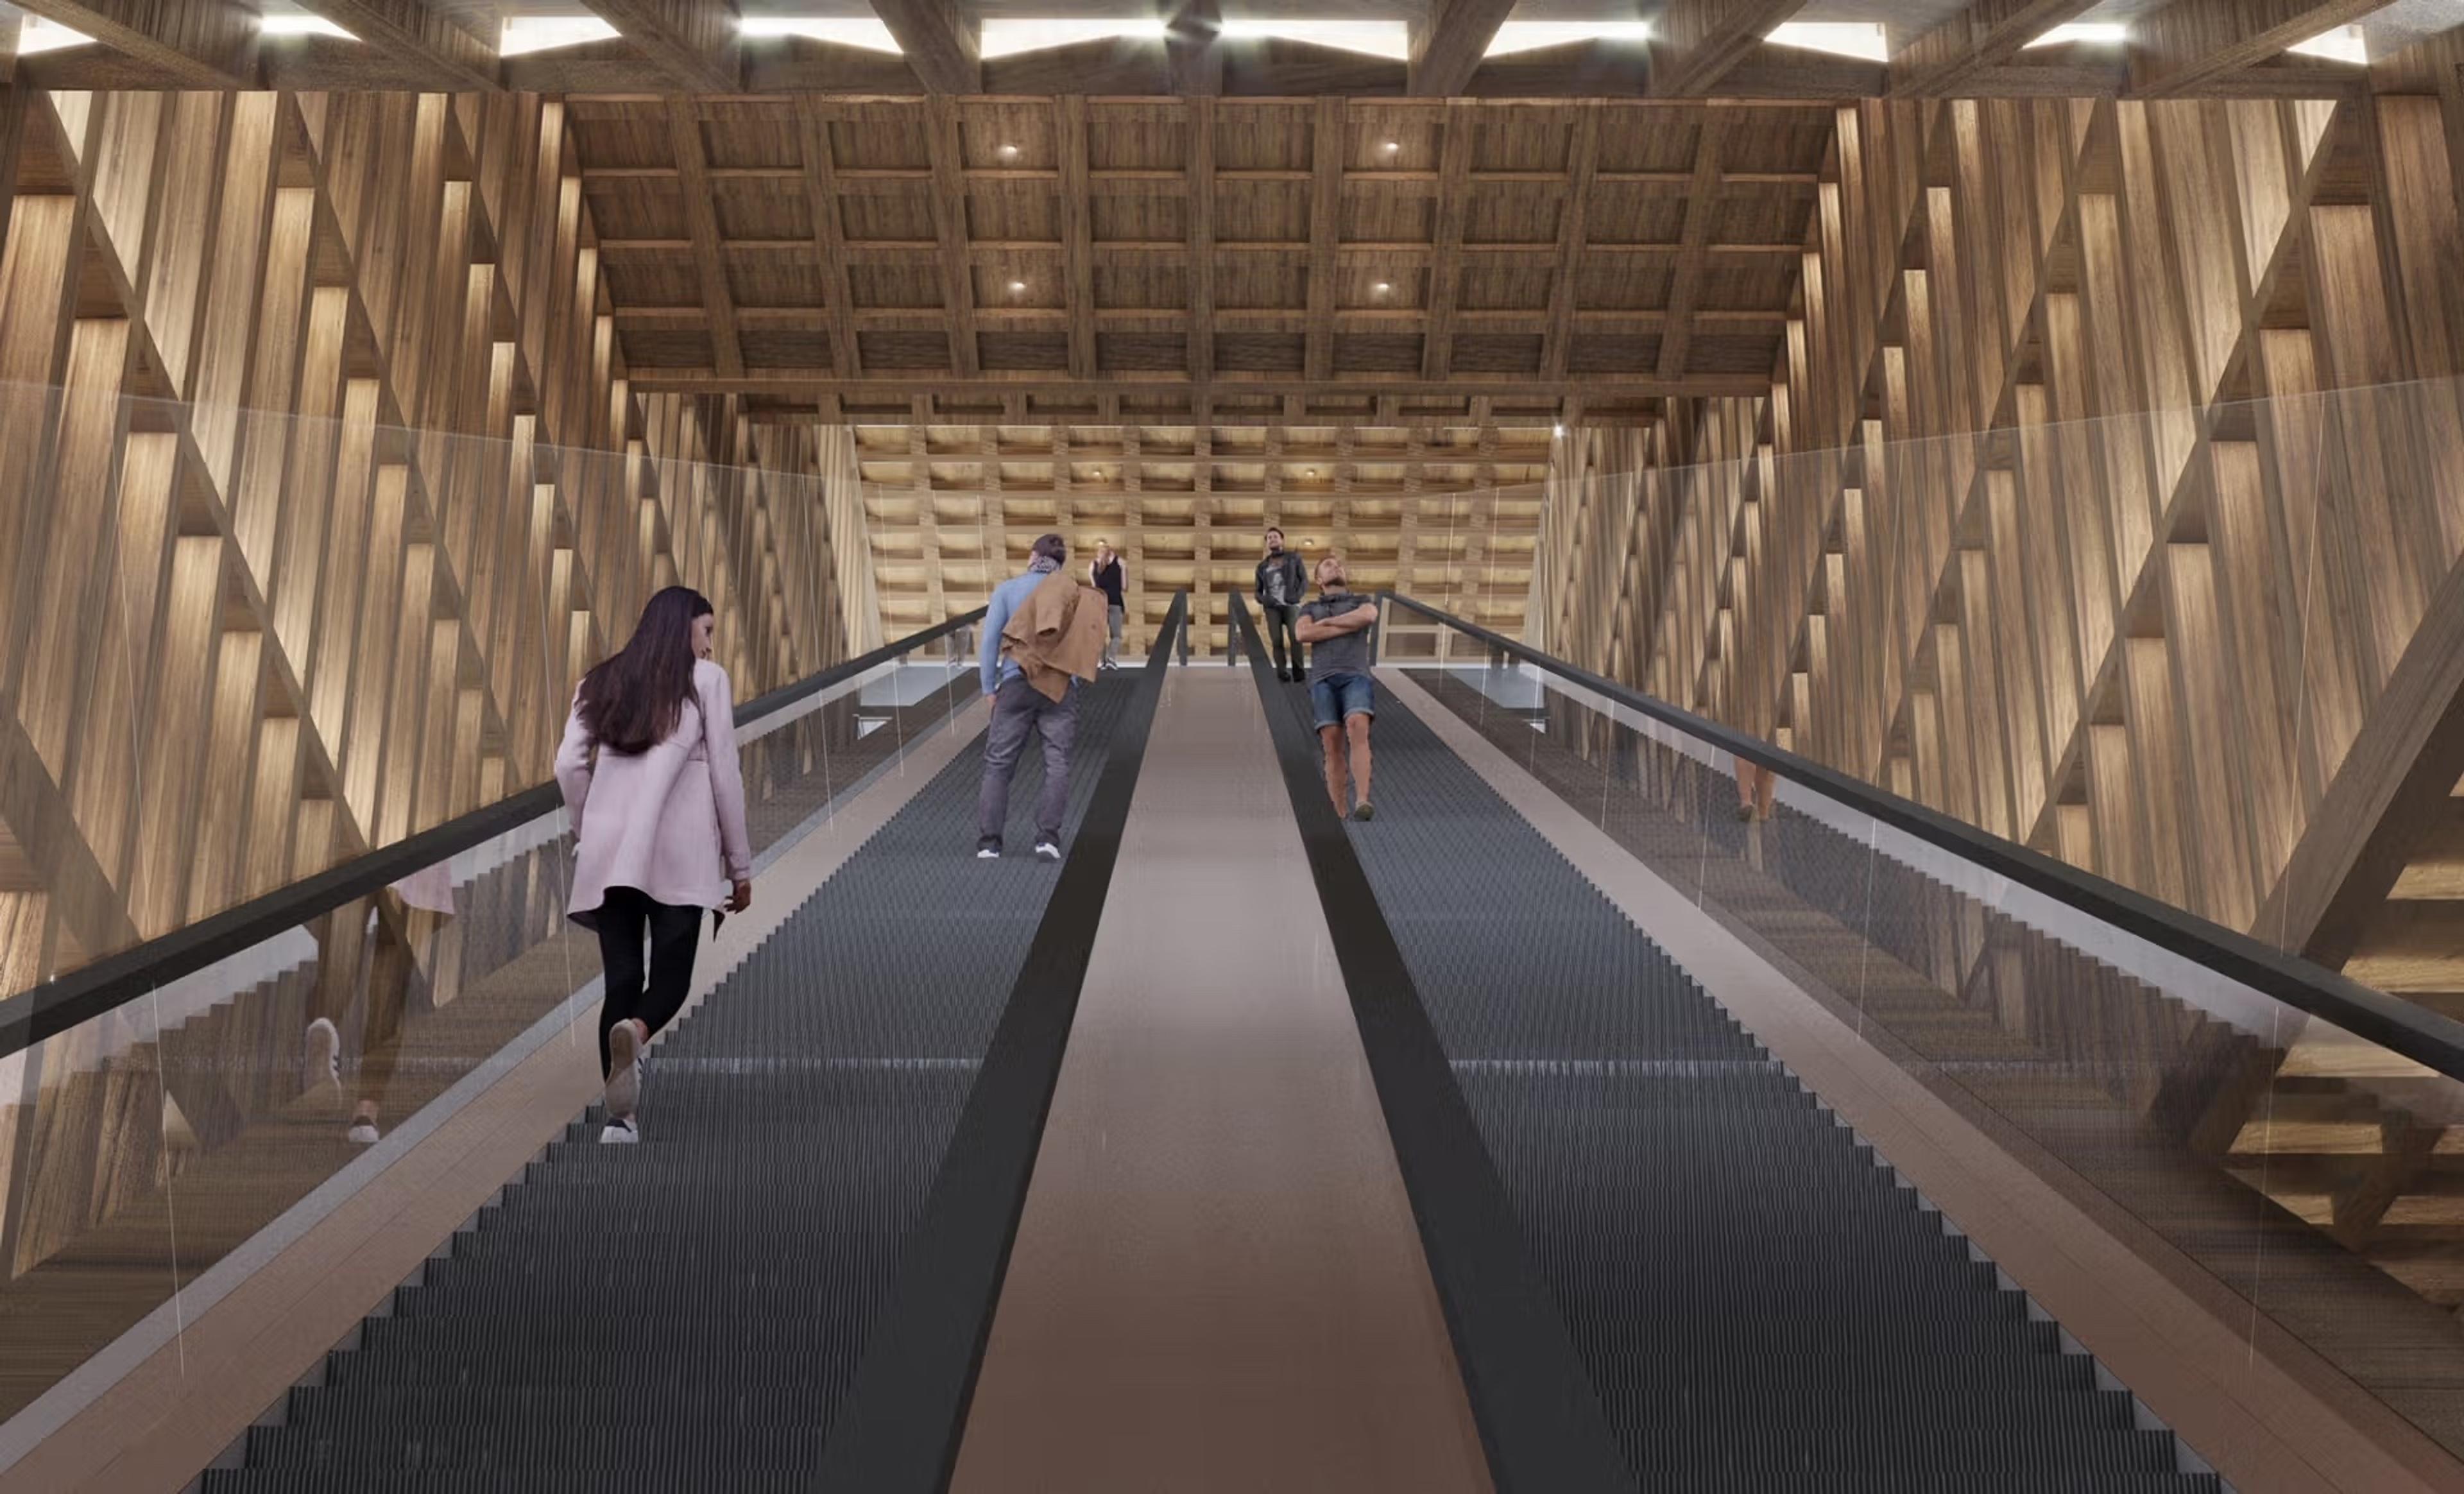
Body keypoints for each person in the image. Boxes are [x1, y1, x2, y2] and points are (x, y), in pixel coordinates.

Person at [554, 586, 753, 1144]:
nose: (710, 646)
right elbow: (725, 775)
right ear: (681, 626)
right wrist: (739, 866)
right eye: (707, 631)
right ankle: (636, 1033)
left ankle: (621, 1121)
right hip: (679, 847)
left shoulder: (599, 681)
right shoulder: (706, 681)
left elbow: (568, 764)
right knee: (670, 978)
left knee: (621, 977)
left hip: (609, 849)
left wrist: (586, 827)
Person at [979, 533, 1104, 862]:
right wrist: (1071, 681)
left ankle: (990, 844)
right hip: (1059, 689)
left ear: (1033, 556)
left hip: (1015, 684)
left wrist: (988, 688)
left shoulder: (1007, 591)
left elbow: (990, 642)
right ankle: (1047, 839)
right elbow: (1082, 644)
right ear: (1060, 564)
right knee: (1057, 763)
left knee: (999, 764)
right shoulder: (1073, 594)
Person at [1294, 555, 1380, 822]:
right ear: (1319, 579)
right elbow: (1302, 634)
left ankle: (1363, 800)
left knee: (1357, 725)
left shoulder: (1360, 601)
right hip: (1323, 680)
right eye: (1329, 565)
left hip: (1355, 675)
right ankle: (1339, 811)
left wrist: (1325, 625)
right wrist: (1345, 625)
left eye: (1339, 564)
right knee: (1331, 740)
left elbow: (1369, 615)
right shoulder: (1309, 607)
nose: (1336, 567)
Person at [1254, 526, 1310, 682]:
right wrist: (1266, 600)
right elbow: (1257, 592)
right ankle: (1282, 672)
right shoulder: (1262, 567)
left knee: (1295, 637)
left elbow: (1304, 581)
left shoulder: (1294, 558)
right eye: (1269, 538)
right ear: (1267, 544)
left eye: (1275, 537)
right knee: (1277, 641)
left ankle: (1299, 673)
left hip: (1291, 605)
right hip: (1272, 608)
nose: (1272, 539)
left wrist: (1296, 597)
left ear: (1282, 540)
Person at [1089, 540, 1127, 671]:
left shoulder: (1093, 565)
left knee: (1100, 635)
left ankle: (1102, 662)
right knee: (1116, 635)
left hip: (1100, 604)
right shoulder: (1120, 562)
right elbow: (1124, 586)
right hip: (1116, 603)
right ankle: (1111, 658)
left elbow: (1094, 589)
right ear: (1111, 551)